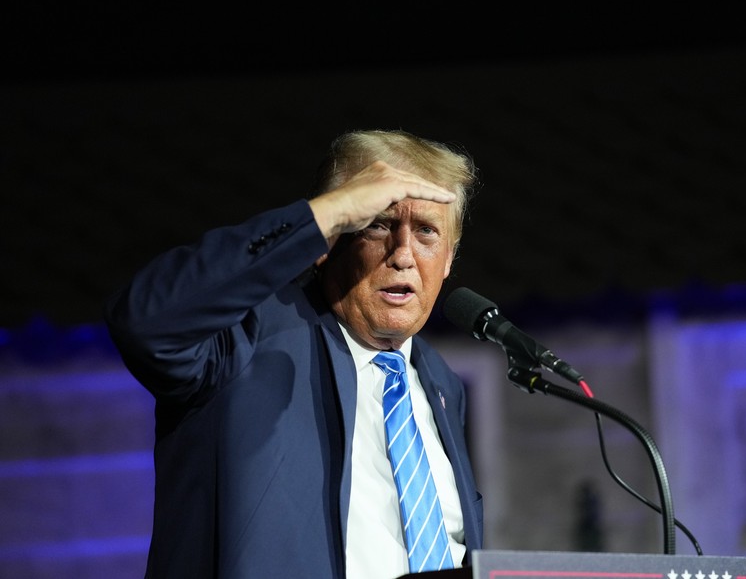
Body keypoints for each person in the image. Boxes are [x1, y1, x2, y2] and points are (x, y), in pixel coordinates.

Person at [104, 129, 484, 578]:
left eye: (426, 232)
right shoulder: (248, 333)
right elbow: (147, 321)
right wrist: (324, 213)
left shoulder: (440, 384)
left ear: (448, 259)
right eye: (377, 224)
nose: (402, 254)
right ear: (328, 243)